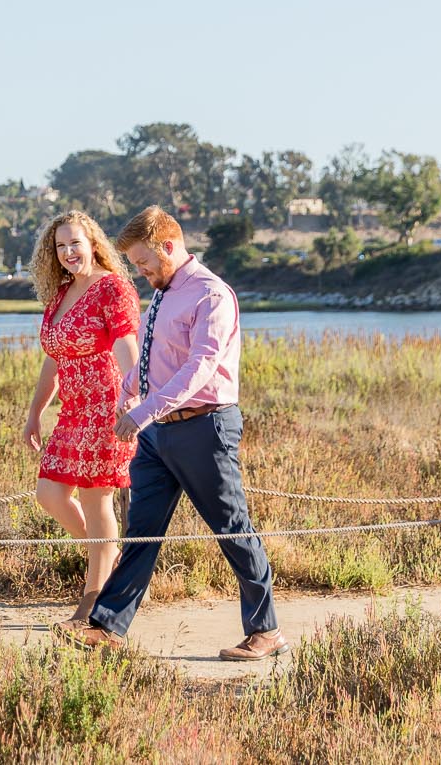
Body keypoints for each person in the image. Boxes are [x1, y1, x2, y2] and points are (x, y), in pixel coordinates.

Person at [60, 205, 288, 661]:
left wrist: (143, 411)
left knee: (230, 528)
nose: (140, 271)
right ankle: (107, 627)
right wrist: (129, 390)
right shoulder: (163, 293)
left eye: (144, 261)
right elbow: (150, 357)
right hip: (157, 435)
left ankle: (266, 632)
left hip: (205, 428)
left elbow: (198, 368)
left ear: (169, 246)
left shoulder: (211, 295)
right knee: (142, 530)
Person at [23, 211, 142, 622]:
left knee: (97, 502)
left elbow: (127, 343)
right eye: (60, 246)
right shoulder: (60, 293)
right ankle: (111, 558)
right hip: (73, 411)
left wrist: (133, 394)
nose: (68, 252)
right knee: (50, 495)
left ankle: (92, 602)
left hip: (107, 404)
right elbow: (53, 359)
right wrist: (35, 412)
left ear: (93, 242)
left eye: (75, 242)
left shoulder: (113, 288)